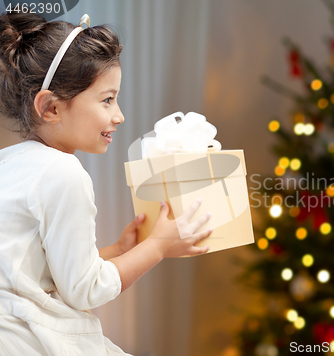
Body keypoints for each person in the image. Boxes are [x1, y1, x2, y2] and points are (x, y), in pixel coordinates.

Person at [0, 12, 212, 355]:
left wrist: (120, 250)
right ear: (51, 107)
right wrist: (156, 246)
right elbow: (83, 291)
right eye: (107, 99)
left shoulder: (10, 162)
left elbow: (44, 275)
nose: (119, 115)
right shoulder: (63, 173)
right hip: (30, 339)